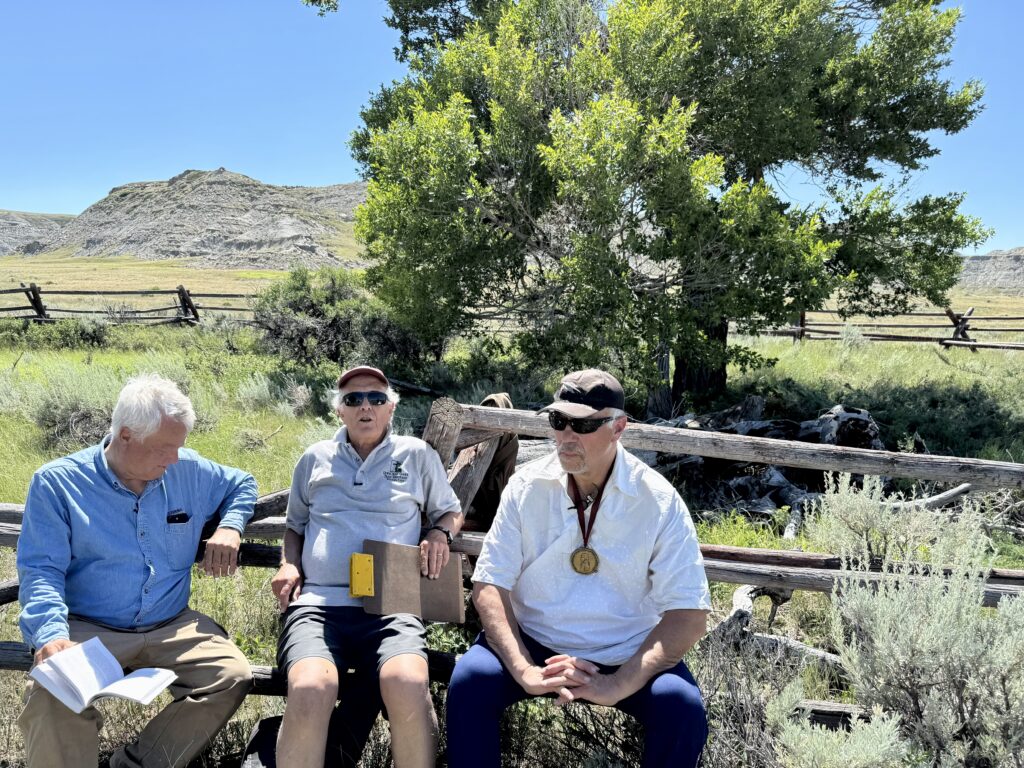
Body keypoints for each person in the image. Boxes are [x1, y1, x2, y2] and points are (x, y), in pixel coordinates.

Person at [446, 369, 712, 768]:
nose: (567, 435)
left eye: (585, 424)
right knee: (469, 684)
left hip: (626, 649)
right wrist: (523, 668)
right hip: (533, 638)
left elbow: (689, 616)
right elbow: (489, 586)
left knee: (682, 710)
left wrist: (616, 684)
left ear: (618, 427)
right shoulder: (525, 486)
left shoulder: (657, 500)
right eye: (558, 421)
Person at [17, 373, 257, 768]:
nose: (176, 458)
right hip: (88, 626)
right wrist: (51, 634)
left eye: (180, 446)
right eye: (166, 447)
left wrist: (230, 526)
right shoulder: (58, 483)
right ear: (126, 435)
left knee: (230, 675)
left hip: (170, 624)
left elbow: (242, 484)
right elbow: (41, 569)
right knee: (51, 696)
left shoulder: (187, 469)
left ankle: (135, 765)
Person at [272, 365, 463, 768]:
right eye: (353, 399)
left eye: (376, 398)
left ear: (391, 408)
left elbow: (449, 511)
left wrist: (438, 534)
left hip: (392, 602)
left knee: (408, 682)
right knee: (310, 686)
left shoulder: (416, 455)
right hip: (319, 605)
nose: (365, 407)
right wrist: (288, 565)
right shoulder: (314, 459)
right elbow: (295, 527)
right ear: (338, 411)